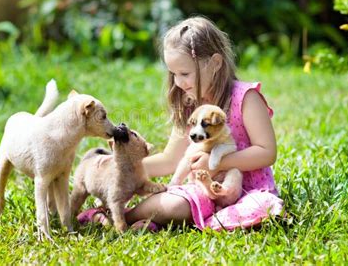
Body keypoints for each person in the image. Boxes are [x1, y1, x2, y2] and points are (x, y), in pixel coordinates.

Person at [78, 16, 283, 231]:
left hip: (247, 190)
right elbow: (170, 160)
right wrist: (119, 167)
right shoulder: (190, 104)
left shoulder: (245, 98)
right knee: (175, 204)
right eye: (173, 74)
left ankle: (126, 218)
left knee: (260, 209)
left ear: (215, 63)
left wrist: (217, 163)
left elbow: (267, 152)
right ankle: (125, 216)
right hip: (204, 190)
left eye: (185, 73)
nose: (178, 82)